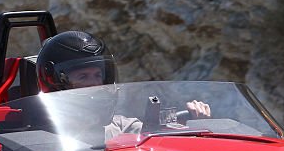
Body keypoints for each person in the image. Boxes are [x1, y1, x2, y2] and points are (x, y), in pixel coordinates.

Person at [35, 30, 211, 126]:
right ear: (54, 81)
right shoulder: (36, 131)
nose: (95, 83)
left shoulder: (115, 125)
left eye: (98, 75)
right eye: (83, 76)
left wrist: (191, 118)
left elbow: (149, 132)